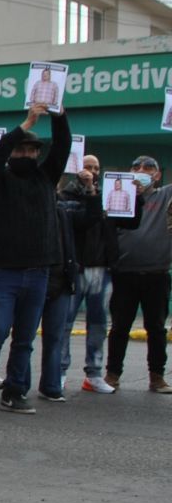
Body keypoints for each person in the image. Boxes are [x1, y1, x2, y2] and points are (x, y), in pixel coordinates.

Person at [0, 106, 70, 416]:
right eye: (21, 149)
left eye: (31, 150)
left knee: (25, 338)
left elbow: (63, 146)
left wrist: (59, 115)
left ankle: (14, 391)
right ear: (12, 152)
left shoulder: (45, 177)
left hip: (38, 271)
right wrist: (25, 124)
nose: (26, 154)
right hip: (3, 271)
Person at [104, 156, 172, 393]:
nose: (142, 171)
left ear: (157, 175)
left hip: (157, 274)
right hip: (124, 273)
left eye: (148, 168)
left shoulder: (165, 196)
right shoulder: (118, 197)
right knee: (120, 327)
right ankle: (112, 374)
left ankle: (157, 377)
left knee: (156, 328)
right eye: (136, 167)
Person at [39, 172, 101, 401]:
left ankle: (52, 386)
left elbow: (91, 217)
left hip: (61, 280)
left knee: (55, 336)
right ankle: (17, 385)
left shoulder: (63, 209)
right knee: (23, 338)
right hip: (35, 277)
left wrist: (91, 189)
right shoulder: (27, 208)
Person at [61, 155, 115, 394]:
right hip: (76, 268)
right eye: (87, 167)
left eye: (96, 168)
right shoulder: (66, 196)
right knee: (64, 323)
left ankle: (93, 374)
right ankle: (59, 372)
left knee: (98, 324)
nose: (92, 172)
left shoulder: (109, 197)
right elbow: (81, 223)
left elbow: (127, 224)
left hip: (100, 268)